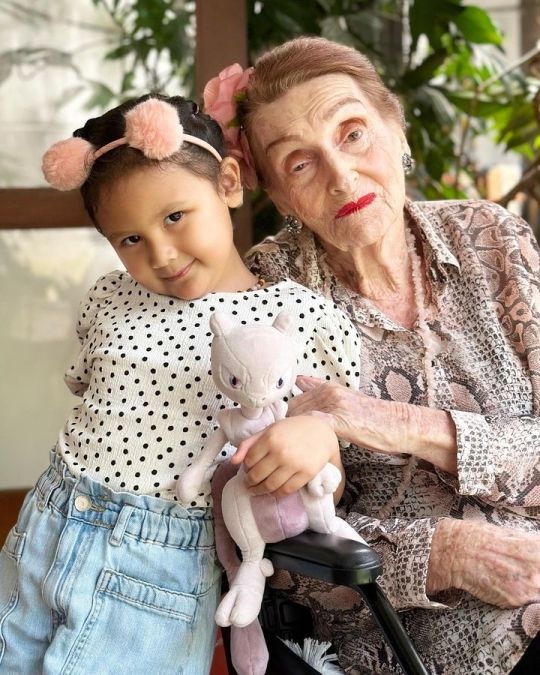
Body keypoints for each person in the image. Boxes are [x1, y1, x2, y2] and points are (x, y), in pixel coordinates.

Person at [203, 38, 540, 675]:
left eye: (353, 134)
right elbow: (265, 541)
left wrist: (387, 422)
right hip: (413, 638)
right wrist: (447, 553)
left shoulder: (493, 240)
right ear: (278, 195)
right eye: (299, 165)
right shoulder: (263, 302)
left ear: (397, 128)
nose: (342, 175)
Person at [0, 93, 364, 674]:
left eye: (174, 217)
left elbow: (330, 469)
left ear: (226, 182)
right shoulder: (108, 297)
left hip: (157, 563)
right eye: (129, 240)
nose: (161, 254)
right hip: (46, 522)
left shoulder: (297, 318)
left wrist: (316, 444)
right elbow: (90, 390)